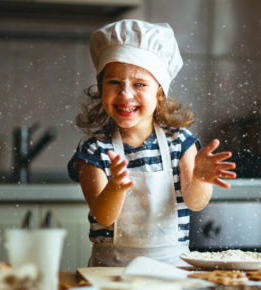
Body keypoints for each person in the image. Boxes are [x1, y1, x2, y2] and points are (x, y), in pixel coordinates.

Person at [67, 19, 236, 267]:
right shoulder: (94, 150)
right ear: (101, 87)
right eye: (114, 82)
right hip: (112, 272)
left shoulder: (181, 143)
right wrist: (116, 187)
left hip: (172, 269)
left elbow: (196, 203)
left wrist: (199, 178)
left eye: (139, 84)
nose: (125, 94)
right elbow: (103, 216)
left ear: (159, 92)